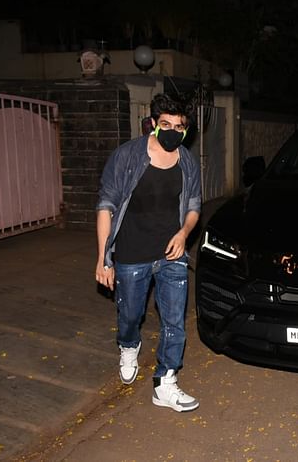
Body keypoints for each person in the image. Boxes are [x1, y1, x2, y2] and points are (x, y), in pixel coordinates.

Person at [95, 93, 201, 412]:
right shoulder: (127, 156)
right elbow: (106, 206)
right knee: (130, 315)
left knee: (174, 321)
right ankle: (129, 345)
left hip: (171, 256)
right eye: (165, 124)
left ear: (186, 129)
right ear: (153, 123)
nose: (172, 131)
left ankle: (165, 382)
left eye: (179, 126)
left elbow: (194, 205)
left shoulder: (187, 161)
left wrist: (183, 234)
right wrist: (103, 258)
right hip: (131, 254)